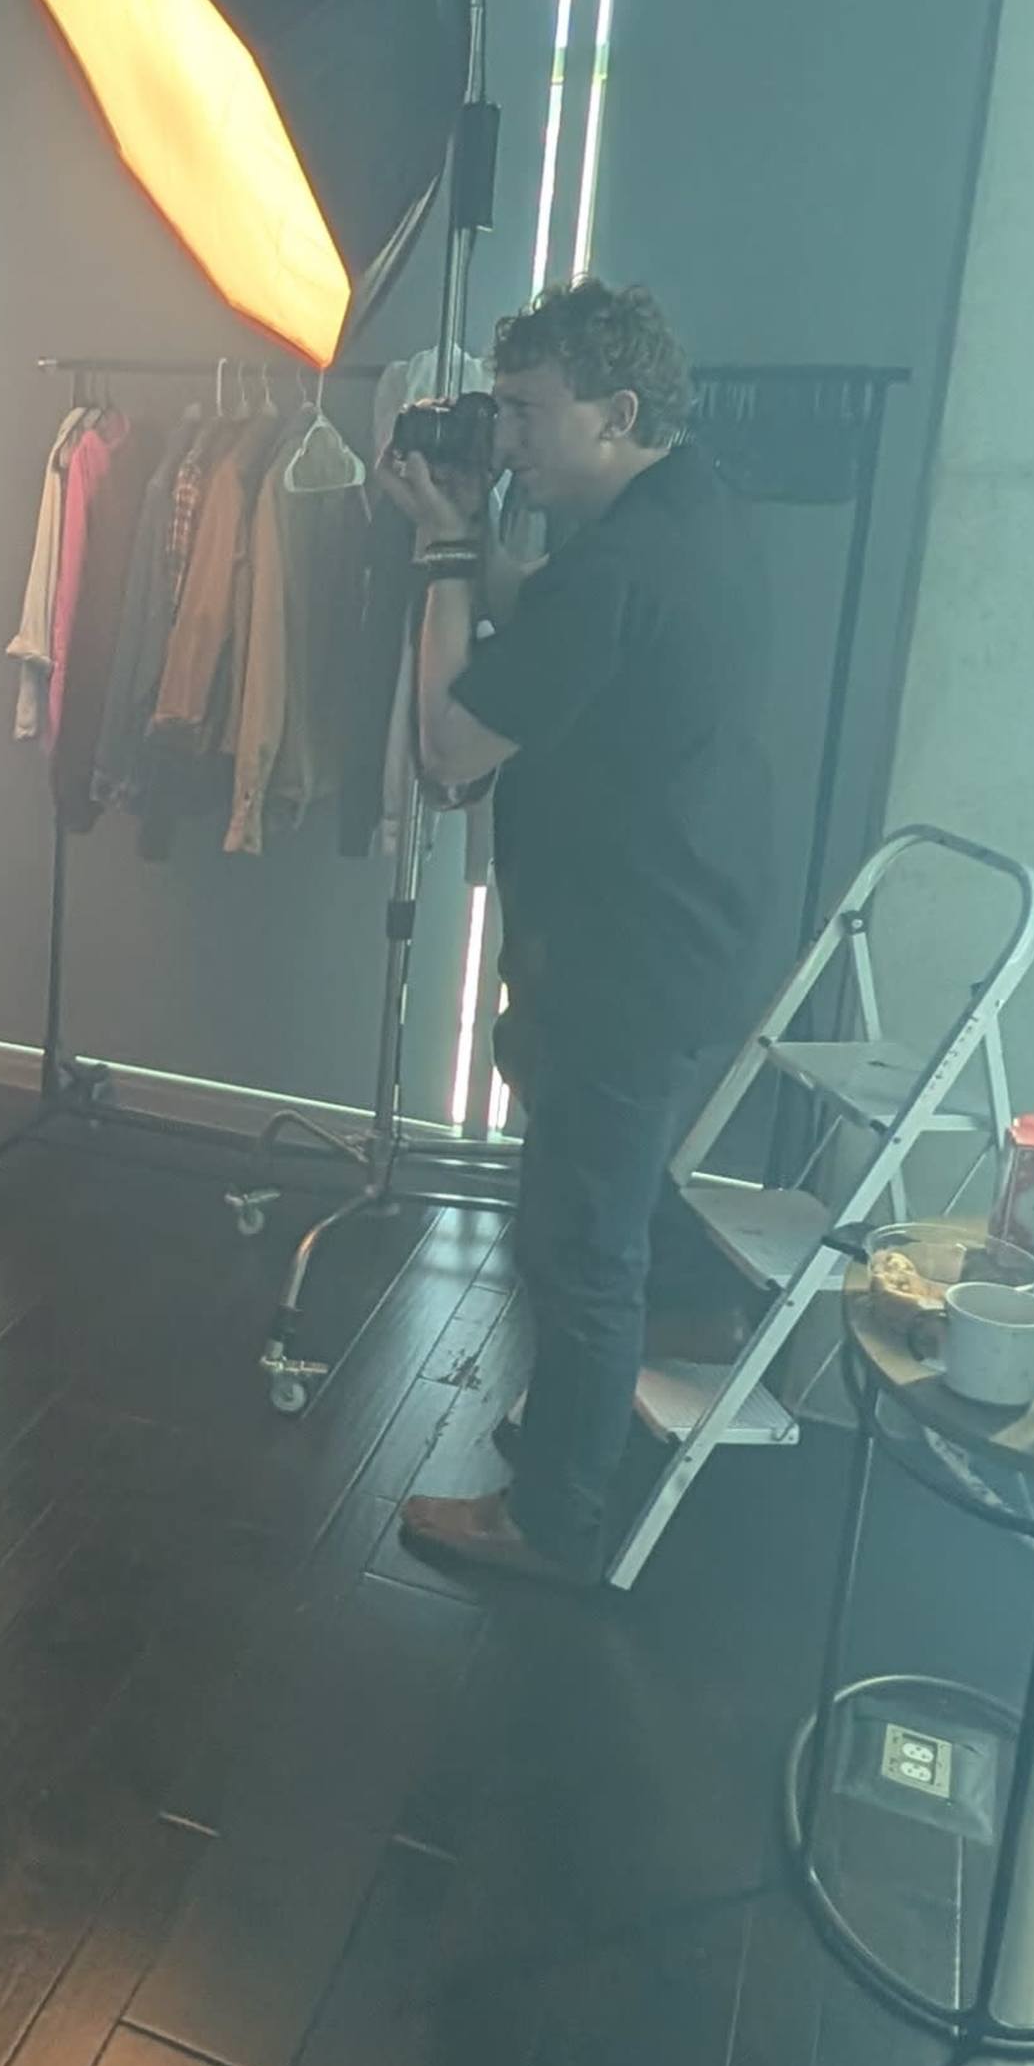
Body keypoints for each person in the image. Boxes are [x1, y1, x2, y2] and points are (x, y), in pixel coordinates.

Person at [378, 275, 779, 1593]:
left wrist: (440, 556)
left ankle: (553, 1514)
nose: (506, 441)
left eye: (527, 413)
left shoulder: (616, 571)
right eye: (498, 410)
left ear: (616, 409)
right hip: (687, 926)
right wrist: (475, 542)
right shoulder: (686, 509)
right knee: (606, 1191)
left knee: (577, 1237)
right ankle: (608, 1395)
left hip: (624, 956)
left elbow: (449, 750)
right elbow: (554, 612)